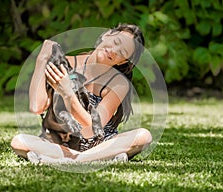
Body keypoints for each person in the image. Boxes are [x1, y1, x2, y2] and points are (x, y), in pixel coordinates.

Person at [11, 23, 152, 163]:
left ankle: (76, 159)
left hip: (99, 145)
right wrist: (41, 60)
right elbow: (37, 107)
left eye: (122, 52)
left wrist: (67, 93)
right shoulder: (65, 63)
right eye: (116, 42)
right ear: (106, 35)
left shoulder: (118, 84)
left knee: (143, 136)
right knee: (19, 142)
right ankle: (95, 158)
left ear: (122, 62)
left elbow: (91, 131)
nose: (114, 50)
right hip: (61, 143)